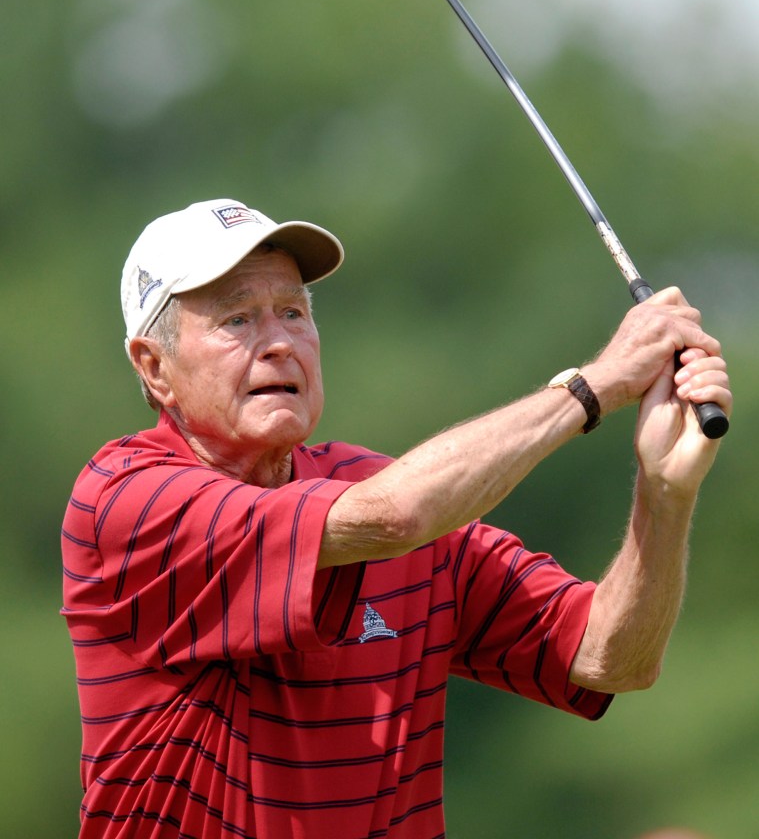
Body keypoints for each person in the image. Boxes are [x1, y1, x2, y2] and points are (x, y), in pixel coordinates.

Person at [61, 198, 732, 839]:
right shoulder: (126, 499)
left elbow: (608, 657)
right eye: (237, 320)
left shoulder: (384, 487)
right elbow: (393, 516)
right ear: (154, 369)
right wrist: (595, 386)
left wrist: (664, 495)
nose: (277, 343)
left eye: (293, 312)